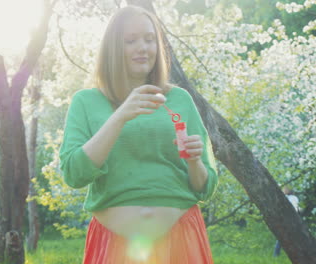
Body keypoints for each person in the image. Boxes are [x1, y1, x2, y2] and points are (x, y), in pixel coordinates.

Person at [59, 5, 218, 263]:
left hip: (181, 240)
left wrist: (193, 160)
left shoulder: (179, 99)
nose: (143, 48)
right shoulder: (86, 101)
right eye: (130, 41)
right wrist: (120, 116)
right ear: (112, 48)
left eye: (149, 39)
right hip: (115, 245)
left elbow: (205, 186)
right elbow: (74, 174)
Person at [273, 186, 300, 257]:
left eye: (284, 188)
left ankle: (276, 254)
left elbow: (293, 208)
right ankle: (277, 254)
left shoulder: (291, 198)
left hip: (288, 219)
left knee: (283, 236)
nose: (283, 190)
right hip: (290, 219)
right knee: (288, 236)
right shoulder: (291, 197)